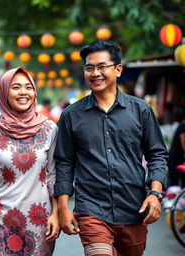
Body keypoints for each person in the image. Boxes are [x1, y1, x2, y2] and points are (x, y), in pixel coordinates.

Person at [54, 40, 168, 256]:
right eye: (89, 68)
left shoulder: (141, 110)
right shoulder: (71, 115)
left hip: (134, 208)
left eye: (101, 67)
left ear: (117, 70)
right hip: (91, 209)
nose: (95, 73)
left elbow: (157, 154)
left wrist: (156, 193)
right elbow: (64, 162)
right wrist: (63, 207)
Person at [0, 67, 59, 256]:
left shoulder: (49, 129)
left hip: (39, 223)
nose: (23, 92)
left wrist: (56, 213)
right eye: (16, 87)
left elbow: (53, 176)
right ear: (5, 92)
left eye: (28, 87)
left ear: (34, 92)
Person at [167, 120, 185, 187]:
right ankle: (171, 196)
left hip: (179, 159)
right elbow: (183, 141)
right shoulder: (183, 126)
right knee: (173, 182)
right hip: (175, 158)